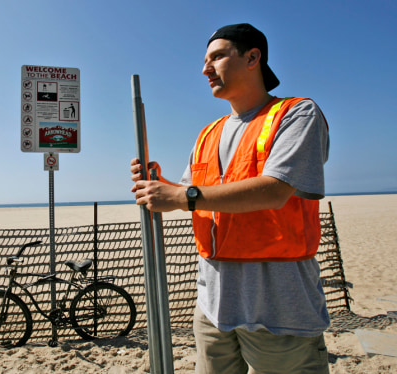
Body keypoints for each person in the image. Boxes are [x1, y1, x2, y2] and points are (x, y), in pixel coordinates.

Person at [130, 23, 330, 373]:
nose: (205, 69)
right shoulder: (209, 132)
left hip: (278, 310)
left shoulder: (296, 114)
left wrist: (181, 195)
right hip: (213, 308)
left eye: (217, 57)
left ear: (253, 57)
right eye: (205, 60)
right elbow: (191, 195)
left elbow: (275, 189)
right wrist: (155, 182)